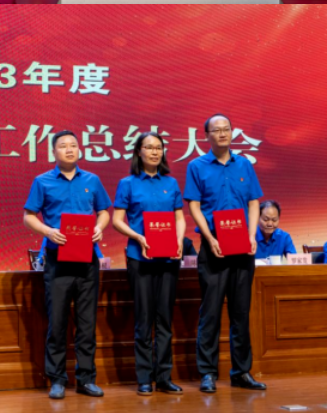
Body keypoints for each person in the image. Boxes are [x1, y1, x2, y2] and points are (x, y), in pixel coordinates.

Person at [23, 130, 111, 400]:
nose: (70, 149)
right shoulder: (43, 181)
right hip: (57, 259)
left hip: (87, 259)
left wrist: (99, 227)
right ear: (54, 152)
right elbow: (29, 216)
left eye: (74, 145)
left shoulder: (92, 180)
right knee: (58, 322)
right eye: (63, 146)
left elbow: (104, 211)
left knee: (86, 323)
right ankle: (57, 380)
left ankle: (86, 379)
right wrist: (48, 231)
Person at [183, 113, 265, 394]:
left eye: (226, 129)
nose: (222, 133)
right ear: (206, 135)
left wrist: (252, 235)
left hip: (242, 246)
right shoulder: (197, 166)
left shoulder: (244, 164)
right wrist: (208, 237)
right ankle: (207, 373)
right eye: (216, 130)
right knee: (211, 312)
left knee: (241, 312)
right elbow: (194, 206)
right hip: (214, 247)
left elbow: (253, 202)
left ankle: (241, 372)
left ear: (232, 132)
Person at [112, 131, 185, 396]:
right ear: (138, 152)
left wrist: (179, 240)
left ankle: (164, 376)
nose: (155, 152)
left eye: (159, 147)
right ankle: (144, 377)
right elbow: (117, 220)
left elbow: (179, 217)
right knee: (143, 319)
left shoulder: (171, 183)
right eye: (149, 147)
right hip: (139, 258)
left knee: (164, 319)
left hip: (168, 258)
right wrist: (138, 236)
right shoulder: (127, 183)